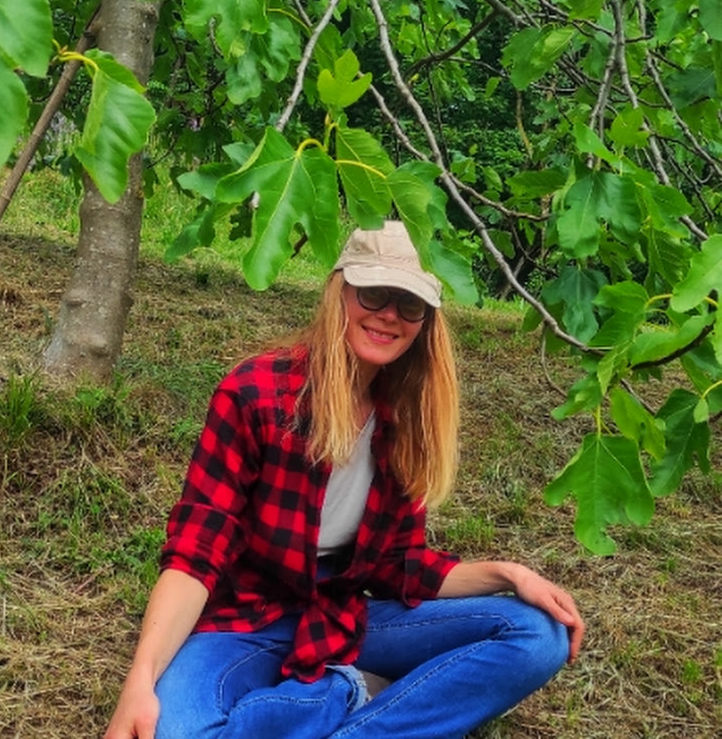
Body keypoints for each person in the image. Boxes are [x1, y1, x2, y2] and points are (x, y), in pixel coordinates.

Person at [104, 220, 584, 739]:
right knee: (177, 731)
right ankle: (345, 694)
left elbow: (399, 567)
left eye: (410, 304)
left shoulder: (407, 416)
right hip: (245, 621)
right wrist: (141, 678)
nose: (389, 315)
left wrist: (509, 574)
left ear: (425, 322)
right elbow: (197, 552)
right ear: (341, 292)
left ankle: (343, 705)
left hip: (342, 618)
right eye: (373, 293)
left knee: (537, 635)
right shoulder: (256, 394)